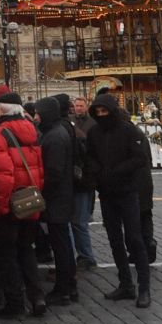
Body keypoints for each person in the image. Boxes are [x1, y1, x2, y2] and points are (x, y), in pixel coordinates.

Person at [0, 93, 46, 319]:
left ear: (1, 110)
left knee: (6, 255)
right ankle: (37, 298)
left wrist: (0, 206)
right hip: (29, 199)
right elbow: (39, 167)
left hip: (10, 203)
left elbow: (2, 175)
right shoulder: (31, 129)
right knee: (26, 250)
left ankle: (15, 303)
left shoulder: (0, 133)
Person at [88, 93, 153, 307]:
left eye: (104, 111)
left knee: (134, 239)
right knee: (114, 240)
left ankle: (144, 287)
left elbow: (139, 158)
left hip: (127, 192)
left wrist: (117, 171)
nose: (101, 115)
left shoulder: (128, 130)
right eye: (97, 112)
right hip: (107, 194)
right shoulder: (94, 132)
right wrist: (98, 172)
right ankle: (125, 284)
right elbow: (90, 157)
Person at [33, 97, 80, 304]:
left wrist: (42, 193)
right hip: (60, 198)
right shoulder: (56, 133)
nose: (35, 118)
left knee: (61, 245)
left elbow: (53, 172)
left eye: (38, 114)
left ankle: (64, 288)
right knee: (62, 244)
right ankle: (69, 285)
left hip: (56, 200)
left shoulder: (54, 137)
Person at [60, 93, 98, 270]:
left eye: (81, 106)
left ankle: (87, 256)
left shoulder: (89, 126)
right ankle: (84, 255)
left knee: (79, 221)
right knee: (77, 220)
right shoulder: (72, 124)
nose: (78, 109)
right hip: (80, 180)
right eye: (76, 106)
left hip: (83, 180)